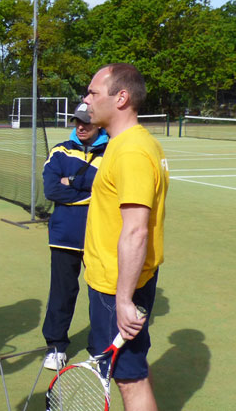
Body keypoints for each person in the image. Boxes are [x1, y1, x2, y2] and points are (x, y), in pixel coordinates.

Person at [81, 63, 169, 411]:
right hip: (116, 280)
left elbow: (136, 230)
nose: (86, 100)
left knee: (129, 379)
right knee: (132, 371)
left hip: (117, 284)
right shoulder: (124, 144)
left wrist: (122, 299)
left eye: (93, 92)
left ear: (121, 98)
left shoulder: (132, 151)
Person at [39, 101, 109, 370]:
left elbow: (111, 189)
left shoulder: (112, 152)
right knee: (62, 293)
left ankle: (100, 351)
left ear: (98, 124)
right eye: (77, 121)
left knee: (100, 295)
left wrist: (72, 181)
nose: (81, 127)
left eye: (86, 122)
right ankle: (56, 347)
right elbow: (52, 190)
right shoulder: (59, 151)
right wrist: (93, 193)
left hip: (99, 236)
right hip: (64, 236)